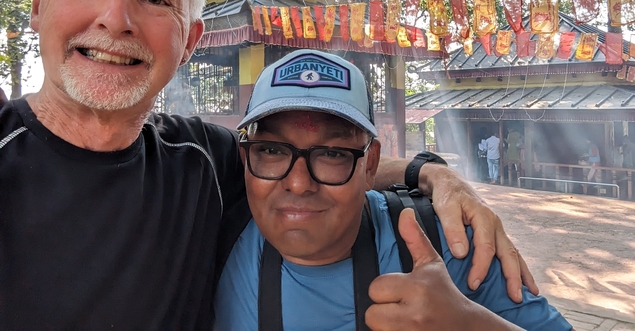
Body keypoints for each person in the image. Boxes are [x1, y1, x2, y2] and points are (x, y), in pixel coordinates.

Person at [0, 0, 534, 329]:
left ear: (189, 41)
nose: (116, 18)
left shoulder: (202, 161)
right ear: (39, 4)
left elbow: (315, 160)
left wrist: (436, 176)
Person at [214, 49, 572, 330]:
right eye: (273, 151)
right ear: (246, 159)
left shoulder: (445, 245)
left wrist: (472, 324)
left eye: (333, 154)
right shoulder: (213, 227)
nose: (297, 182)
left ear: (370, 165)